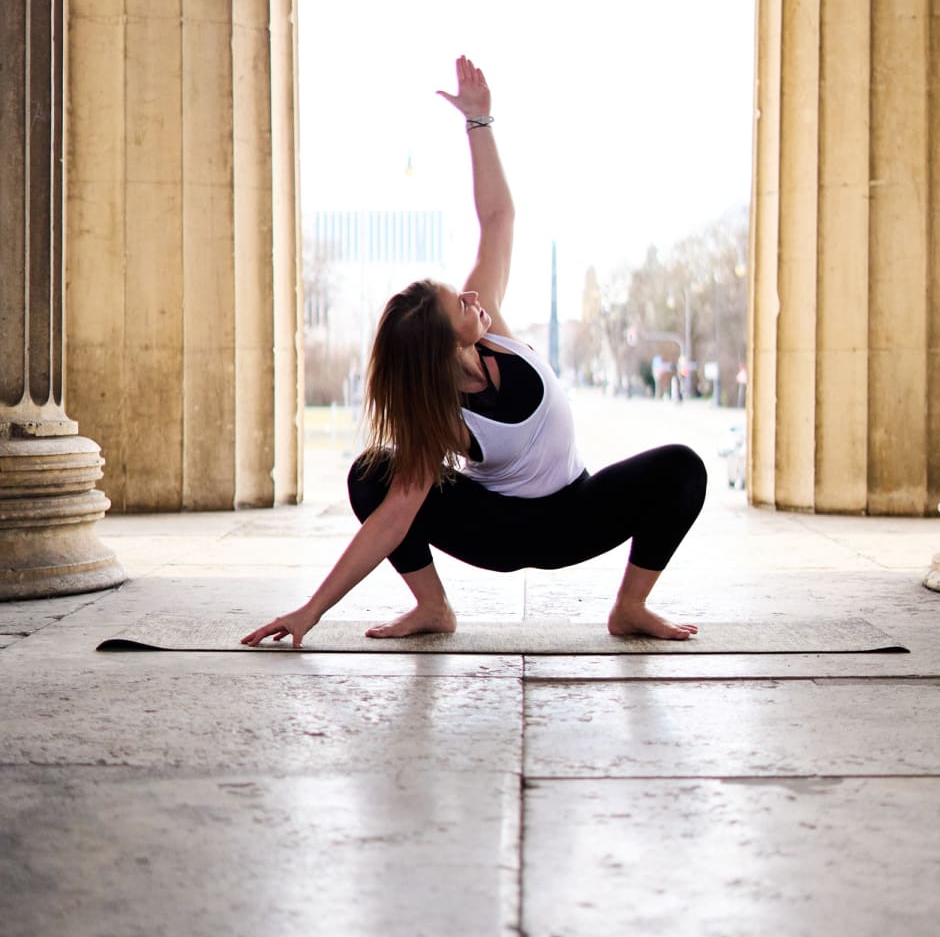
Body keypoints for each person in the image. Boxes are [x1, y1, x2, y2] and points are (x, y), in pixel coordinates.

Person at [241, 57, 707, 650]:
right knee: (372, 475)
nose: (470, 297)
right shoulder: (441, 416)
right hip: (499, 534)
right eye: (456, 303)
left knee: (682, 467)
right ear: (445, 341)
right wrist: (311, 611)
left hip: (575, 513)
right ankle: (432, 607)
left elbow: (498, 218)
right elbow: (390, 519)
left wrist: (479, 122)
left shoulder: (489, 326)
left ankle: (630, 607)